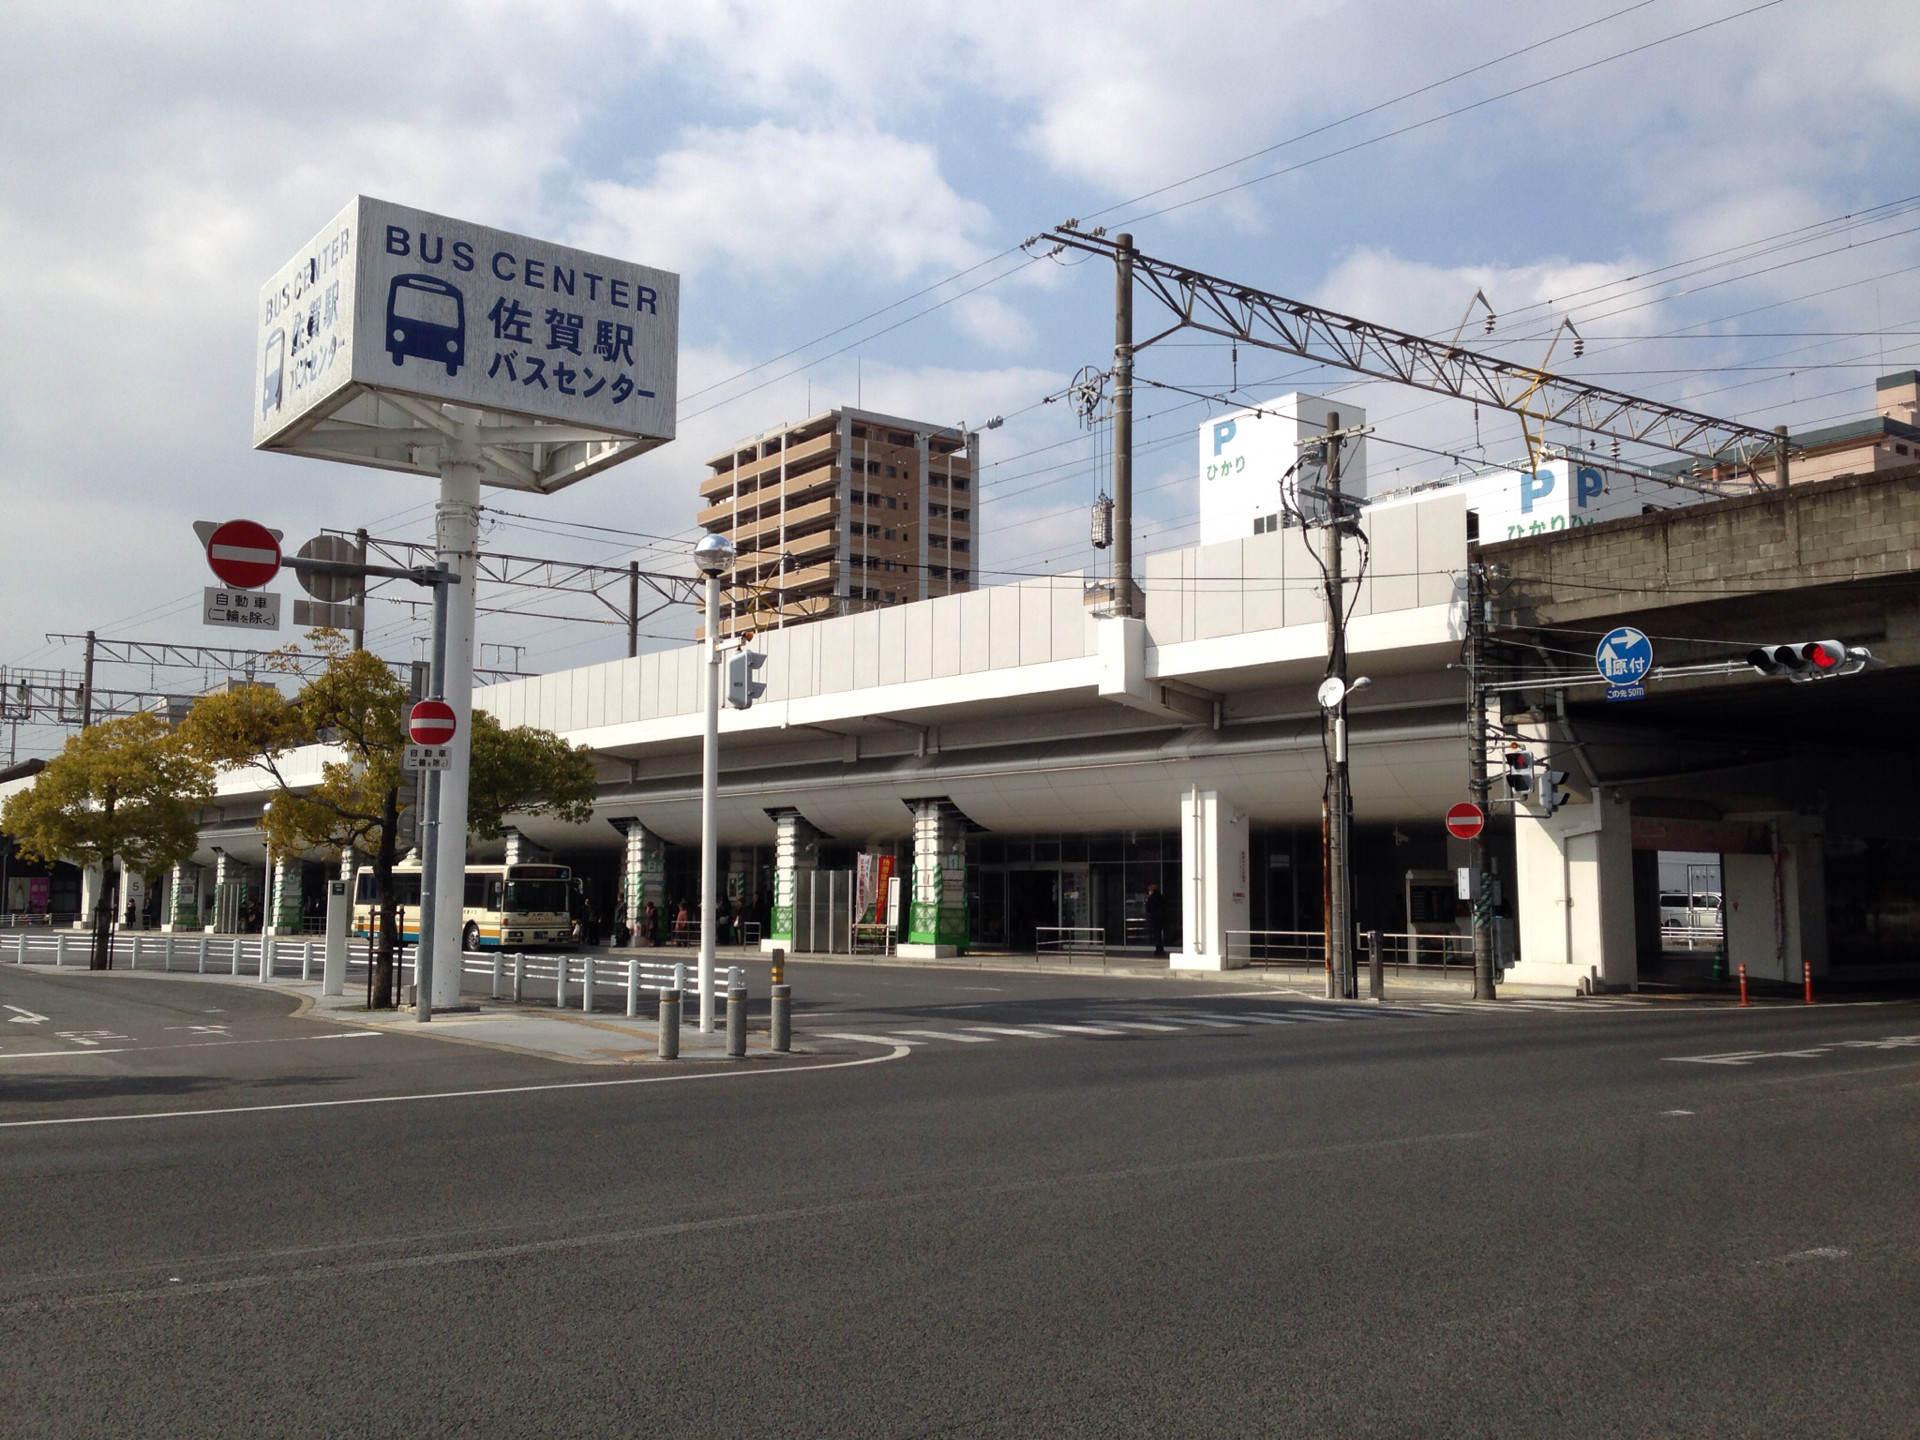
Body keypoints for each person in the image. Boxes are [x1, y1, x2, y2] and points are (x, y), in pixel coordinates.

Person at [1144, 882, 1168, 959]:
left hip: (1155, 918)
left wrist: (1146, 901)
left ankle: (1159, 950)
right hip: (1161, 918)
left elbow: (1149, 908)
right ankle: (1160, 949)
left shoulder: (1152, 898)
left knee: (1156, 934)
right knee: (1158, 934)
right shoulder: (1160, 897)